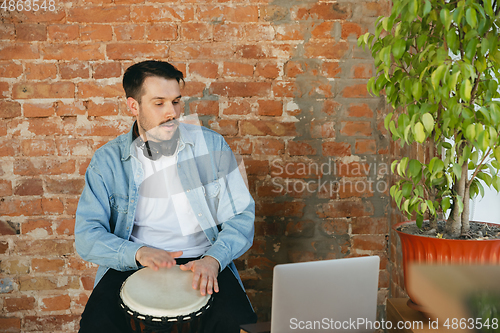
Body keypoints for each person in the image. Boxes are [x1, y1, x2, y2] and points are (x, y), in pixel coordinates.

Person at [75, 60, 257, 333]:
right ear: (133, 106)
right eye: (159, 103)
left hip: (204, 258)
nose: (172, 112)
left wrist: (214, 260)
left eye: (176, 102)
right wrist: (138, 252)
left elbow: (241, 216)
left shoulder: (212, 145)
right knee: (96, 326)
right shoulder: (107, 160)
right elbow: (86, 235)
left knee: (240, 325)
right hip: (132, 262)